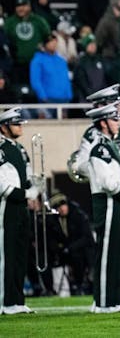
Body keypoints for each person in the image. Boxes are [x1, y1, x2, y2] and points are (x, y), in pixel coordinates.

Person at [85, 102, 120, 313]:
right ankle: (104, 302)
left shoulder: (114, 147)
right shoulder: (100, 149)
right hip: (108, 204)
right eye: (114, 119)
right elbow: (108, 183)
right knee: (108, 254)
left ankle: (116, 299)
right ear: (103, 122)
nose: (118, 122)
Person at [0, 107, 35, 314]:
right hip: (6, 207)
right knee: (7, 255)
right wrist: (27, 194)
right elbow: (3, 186)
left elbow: (27, 175)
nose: (20, 127)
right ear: (4, 127)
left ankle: (17, 300)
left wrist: (35, 188)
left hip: (21, 207)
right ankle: (5, 301)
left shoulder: (20, 149)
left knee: (21, 254)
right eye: (16, 123)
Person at [45, 191, 94, 297]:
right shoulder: (53, 220)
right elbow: (51, 238)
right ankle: (50, 288)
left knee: (79, 257)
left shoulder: (79, 215)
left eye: (63, 205)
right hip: (65, 251)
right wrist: (59, 248)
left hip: (82, 250)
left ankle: (80, 285)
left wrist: (70, 248)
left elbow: (86, 238)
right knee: (47, 257)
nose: (62, 209)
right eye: (58, 207)